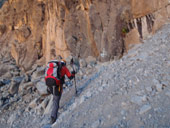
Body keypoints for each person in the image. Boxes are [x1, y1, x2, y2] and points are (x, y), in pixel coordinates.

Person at [45, 58, 76, 124]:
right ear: (64, 63)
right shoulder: (64, 68)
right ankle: (53, 117)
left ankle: (55, 108)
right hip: (57, 86)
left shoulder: (53, 67)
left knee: (55, 98)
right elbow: (70, 77)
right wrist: (73, 74)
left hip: (50, 85)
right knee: (56, 100)